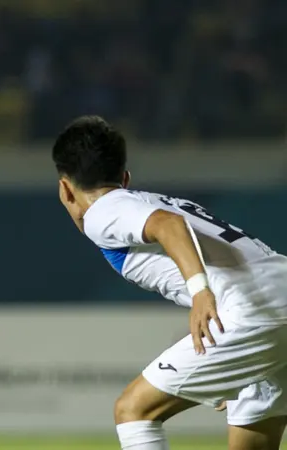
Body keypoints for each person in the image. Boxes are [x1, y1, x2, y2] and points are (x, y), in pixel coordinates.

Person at [52, 115, 287, 450]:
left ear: (64, 188)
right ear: (125, 177)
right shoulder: (152, 200)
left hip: (252, 311)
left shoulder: (103, 210)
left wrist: (199, 291)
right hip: (276, 292)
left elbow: (169, 226)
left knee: (133, 411)